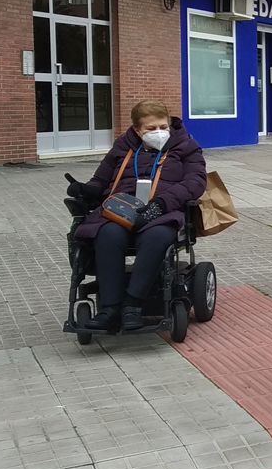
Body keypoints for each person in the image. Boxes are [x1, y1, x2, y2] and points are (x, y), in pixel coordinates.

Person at [66, 101, 207, 331]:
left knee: (157, 236)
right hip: (121, 211)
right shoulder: (123, 146)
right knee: (108, 235)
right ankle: (109, 309)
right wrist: (86, 190)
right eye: (151, 129)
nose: (158, 132)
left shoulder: (186, 146)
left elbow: (196, 181)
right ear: (137, 129)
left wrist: (160, 204)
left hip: (163, 210)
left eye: (163, 126)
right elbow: (100, 181)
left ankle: (133, 305)